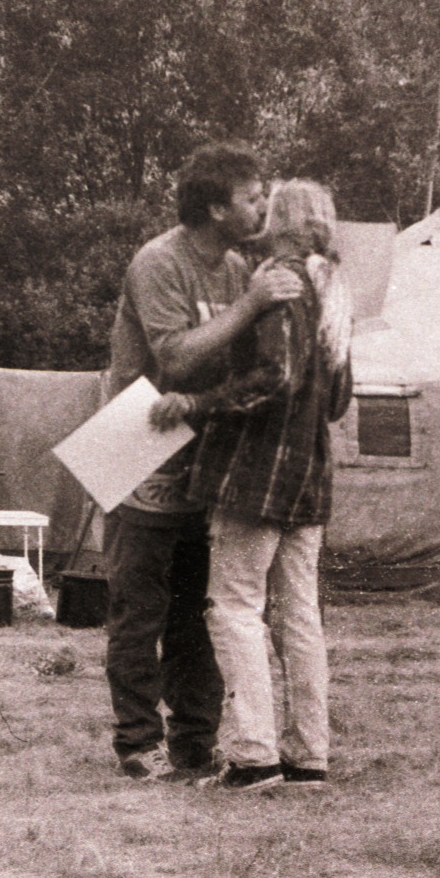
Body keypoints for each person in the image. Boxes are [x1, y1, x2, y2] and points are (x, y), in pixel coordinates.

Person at [103, 143, 302, 782]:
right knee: (140, 607)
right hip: (140, 444)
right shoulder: (159, 262)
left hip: (206, 453)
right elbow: (176, 359)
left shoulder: (238, 264)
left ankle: (195, 741)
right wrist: (250, 304)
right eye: (251, 196)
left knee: (201, 607)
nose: (262, 206)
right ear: (216, 207)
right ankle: (138, 743)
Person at [152, 179, 353, 791]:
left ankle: (252, 756)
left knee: (235, 609)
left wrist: (196, 403)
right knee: (299, 618)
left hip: (257, 476)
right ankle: (308, 757)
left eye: (271, 205)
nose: (259, 211)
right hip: (310, 476)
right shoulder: (334, 288)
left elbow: (275, 378)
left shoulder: (280, 281)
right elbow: (337, 398)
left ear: (285, 219)